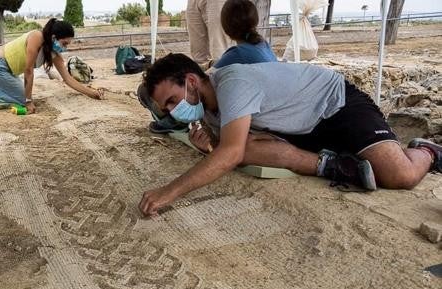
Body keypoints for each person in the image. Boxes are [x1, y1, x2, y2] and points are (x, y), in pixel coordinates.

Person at [138, 53, 441, 216]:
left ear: (191, 81)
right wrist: (211, 146)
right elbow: (232, 149)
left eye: (172, 101)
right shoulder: (208, 107)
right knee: (241, 149)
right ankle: (334, 166)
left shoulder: (232, 84)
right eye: (166, 108)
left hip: (335, 106)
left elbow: (228, 155)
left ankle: (427, 150)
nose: (172, 111)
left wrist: (169, 191)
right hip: (300, 128)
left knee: (399, 175)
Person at [140, 0, 276, 134]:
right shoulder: (262, 45)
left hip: (248, 114)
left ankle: (174, 123)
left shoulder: (235, 56)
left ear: (225, 29)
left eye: (171, 103)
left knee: (145, 90)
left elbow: (205, 76)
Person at [0, 18, 103, 113]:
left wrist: (91, 93)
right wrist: (28, 101)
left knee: (24, 95)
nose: (65, 47)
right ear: (53, 37)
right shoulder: (36, 36)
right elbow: (28, 71)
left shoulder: (54, 54)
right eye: (64, 43)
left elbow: (68, 79)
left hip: (7, 70)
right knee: (23, 99)